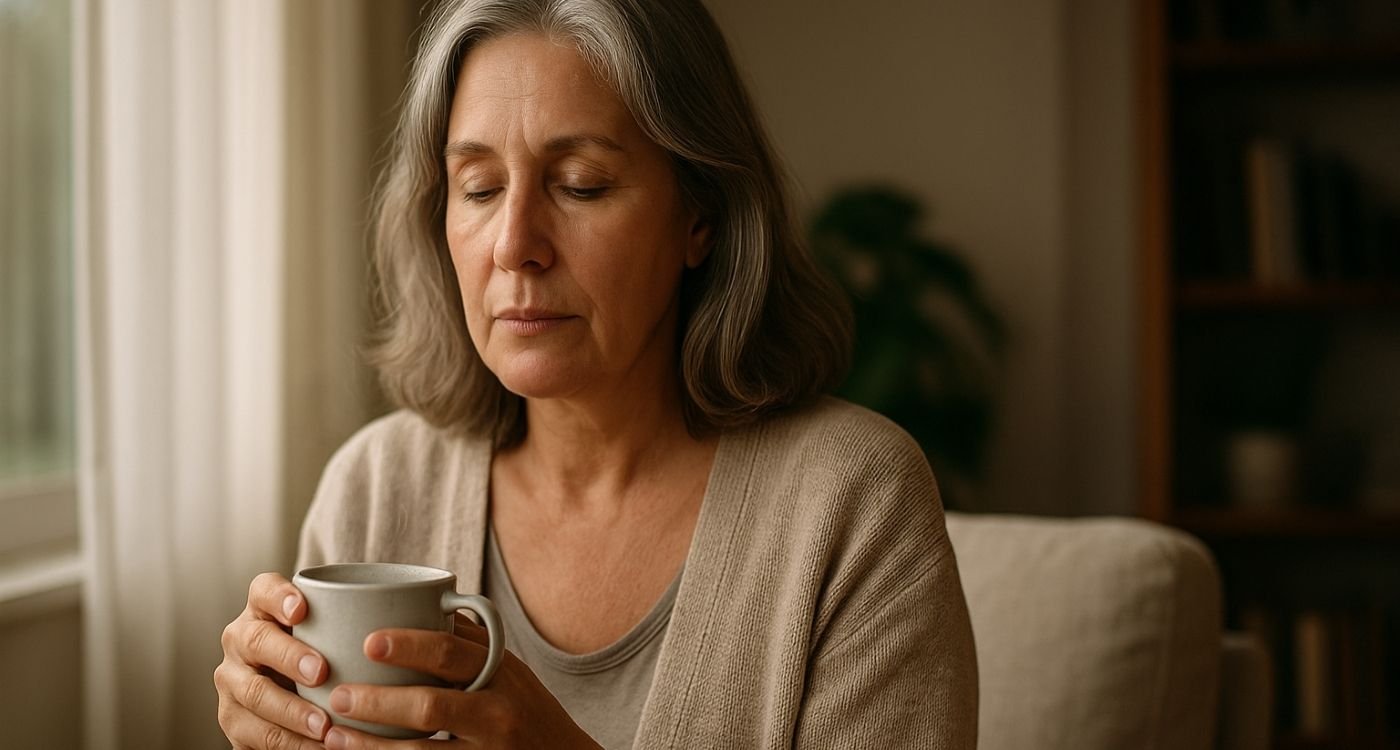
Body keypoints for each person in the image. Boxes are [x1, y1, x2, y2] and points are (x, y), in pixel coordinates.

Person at [214, 0, 978, 747]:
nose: (514, 245)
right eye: (478, 189)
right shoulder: (377, 488)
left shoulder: (853, 502)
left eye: (580, 183)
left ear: (700, 217)